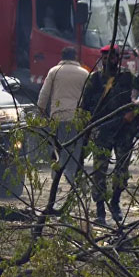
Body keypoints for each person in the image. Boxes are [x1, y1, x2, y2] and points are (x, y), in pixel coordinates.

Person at [81, 44, 139, 225]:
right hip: (103, 129)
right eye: (104, 57)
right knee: (99, 171)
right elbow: (84, 106)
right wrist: (87, 127)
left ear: (117, 58)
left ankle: (115, 202)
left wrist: (134, 112)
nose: (107, 60)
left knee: (121, 170)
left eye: (110, 57)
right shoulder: (95, 79)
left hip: (123, 129)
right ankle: (99, 211)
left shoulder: (127, 77)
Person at [37, 47, 89, 186]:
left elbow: (44, 93)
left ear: (62, 56)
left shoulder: (54, 71)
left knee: (58, 146)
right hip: (77, 118)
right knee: (74, 147)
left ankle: (58, 172)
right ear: (75, 57)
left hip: (57, 116)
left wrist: (41, 110)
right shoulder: (84, 73)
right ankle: (70, 173)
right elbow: (88, 97)